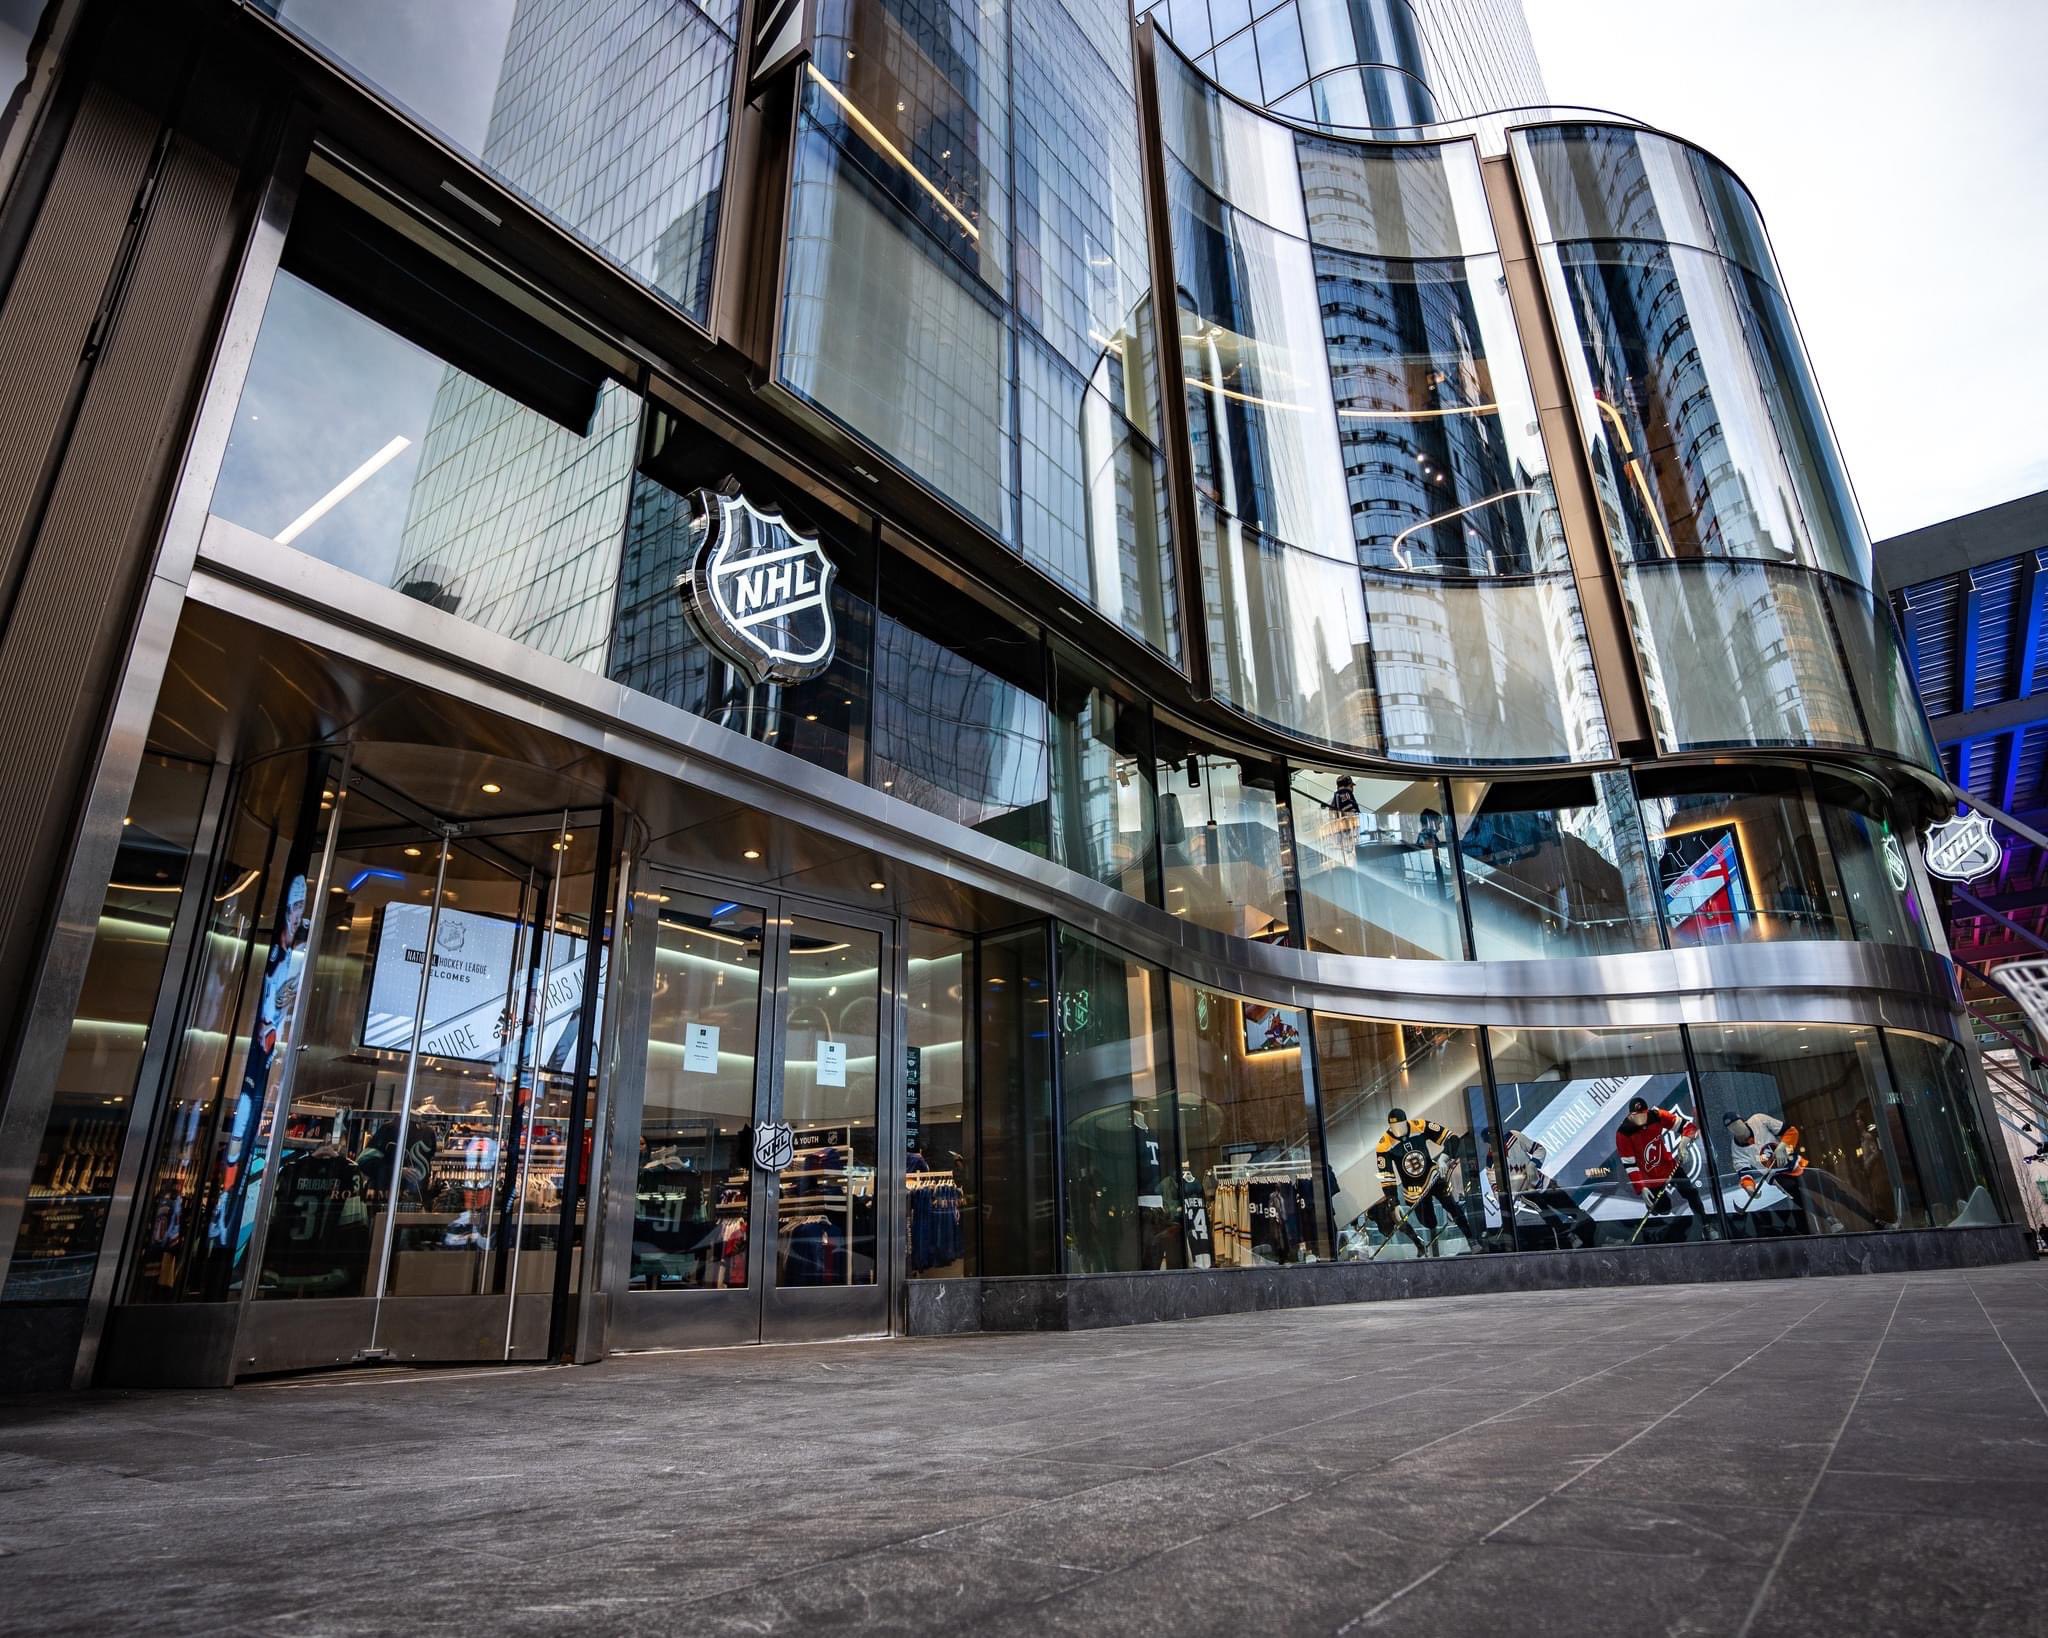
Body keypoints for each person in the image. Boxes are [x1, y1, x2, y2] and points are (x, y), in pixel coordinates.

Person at [1722, 1111, 1872, 1233]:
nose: (1736, 1129)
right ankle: (1829, 1219)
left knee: (1834, 1192)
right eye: (1731, 1128)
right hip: (1777, 1177)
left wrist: (1783, 1147)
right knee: (1798, 1196)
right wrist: (1750, 1188)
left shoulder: (1759, 1120)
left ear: (1743, 1121)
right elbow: (1744, 1173)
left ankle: (1873, 1220)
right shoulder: (1736, 1150)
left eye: (1737, 1124)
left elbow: (1791, 1131)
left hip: (1796, 1167)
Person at [1375, 1108, 1478, 1256]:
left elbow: (1452, 1138)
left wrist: (1444, 1158)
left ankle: (1471, 1239)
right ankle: (1423, 1242)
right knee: (1429, 1222)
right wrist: (1393, 1200)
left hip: (1432, 1176)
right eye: (1394, 1127)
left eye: (1401, 1125)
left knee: (1452, 1206)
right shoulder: (1384, 1144)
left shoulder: (1420, 1125)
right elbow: (1386, 1175)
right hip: (1413, 1191)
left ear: (1406, 1121)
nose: (1398, 1130)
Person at [1614, 1097, 1713, 1238]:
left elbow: (1689, 1127)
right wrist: (1641, 1187)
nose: (1641, 1118)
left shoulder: (1657, 1115)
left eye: (1643, 1114)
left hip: (1668, 1166)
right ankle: (1654, 1220)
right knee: (1664, 1208)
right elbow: (1630, 1164)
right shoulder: (1623, 1133)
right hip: (1649, 1177)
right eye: (1637, 1116)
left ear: (1647, 1111)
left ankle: (1706, 1224)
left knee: (1691, 1192)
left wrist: (1683, 1145)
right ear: (1630, 1115)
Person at [1485, 1125, 1596, 1250]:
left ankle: (1592, 1237)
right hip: (1527, 1193)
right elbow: (1498, 1192)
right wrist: (1508, 1196)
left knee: (1573, 1210)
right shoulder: (1491, 1164)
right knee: (1549, 1216)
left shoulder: (1514, 1136)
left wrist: (1533, 1164)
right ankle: (1569, 1237)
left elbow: (1540, 1149)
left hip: (1544, 1183)